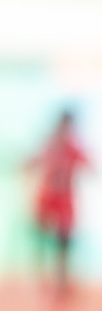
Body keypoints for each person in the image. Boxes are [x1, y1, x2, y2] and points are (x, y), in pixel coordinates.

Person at [29, 109, 91, 295]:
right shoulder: (50, 145)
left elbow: (88, 164)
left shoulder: (73, 147)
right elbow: (35, 161)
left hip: (64, 200)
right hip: (48, 198)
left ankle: (62, 282)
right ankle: (44, 281)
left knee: (63, 242)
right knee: (42, 240)